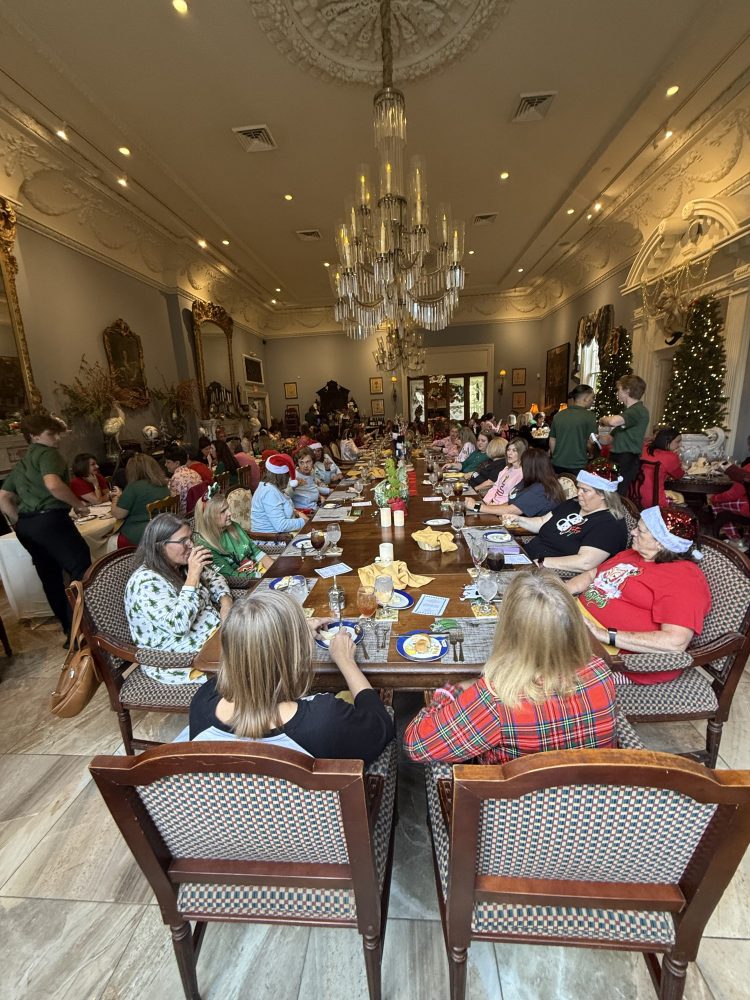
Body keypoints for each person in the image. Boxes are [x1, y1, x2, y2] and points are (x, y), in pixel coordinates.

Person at [403, 572, 616, 764]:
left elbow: (416, 745)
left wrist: (450, 692)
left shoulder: (498, 699)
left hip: (511, 805)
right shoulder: (602, 672)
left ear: (510, 631)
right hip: (592, 802)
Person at [188, 591, 395, 762]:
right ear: (295, 654)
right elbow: (382, 727)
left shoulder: (203, 700)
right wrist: (346, 662)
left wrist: (289, 632)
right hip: (322, 811)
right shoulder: (324, 720)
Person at [567, 506, 710, 685]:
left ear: (660, 542)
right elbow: (591, 574)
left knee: (534, 660)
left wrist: (603, 634)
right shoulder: (632, 554)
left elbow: (675, 642)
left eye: (640, 530)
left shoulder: (684, 579)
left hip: (619, 660)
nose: (633, 532)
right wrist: (562, 593)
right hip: (578, 622)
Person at [0, 414, 91, 639]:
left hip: (27, 526)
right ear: (34, 436)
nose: (58, 438)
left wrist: (20, 522)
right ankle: (84, 629)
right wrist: (78, 504)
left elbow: (3, 497)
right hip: (51, 520)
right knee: (81, 569)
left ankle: (69, 630)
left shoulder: (21, 463)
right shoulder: (48, 454)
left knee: (49, 576)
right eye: (52, 433)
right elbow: (53, 484)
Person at [125, 513, 232, 685]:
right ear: (160, 546)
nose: (190, 545)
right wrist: (192, 577)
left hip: (216, 636)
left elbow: (214, 578)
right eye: (183, 541)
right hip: (181, 659)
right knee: (257, 661)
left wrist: (225, 603)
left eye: (191, 538)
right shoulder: (146, 582)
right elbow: (178, 625)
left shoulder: (179, 565)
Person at [511, 465, 629, 573]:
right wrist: (518, 520)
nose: (579, 493)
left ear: (603, 494)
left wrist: (542, 562)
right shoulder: (573, 504)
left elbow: (585, 562)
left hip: (546, 572)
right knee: (495, 553)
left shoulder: (610, 524)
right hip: (526, 556)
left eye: (585, 490)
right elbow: (542, 522)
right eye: (579, 488)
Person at [193, 490, 274, 581]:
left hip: (261, 573)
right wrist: (266, 578)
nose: (229, 513)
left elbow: (257, 552)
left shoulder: (234, 526)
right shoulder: (205, 548)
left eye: (228, 508)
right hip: (248, 583)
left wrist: (275, 571)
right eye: (223, 511)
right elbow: (231, 576)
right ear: (209, 518)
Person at [467, 444, 563, 518]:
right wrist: (489, 507)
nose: (521, 467)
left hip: (523, 530)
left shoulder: (540, 488)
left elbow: (512, 509)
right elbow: (512, 502)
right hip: (509, 517)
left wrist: (477, 507)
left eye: (523, 464)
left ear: (531, 468)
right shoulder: (529, 481)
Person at [600, 374, 650, 495]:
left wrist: (603, 419)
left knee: (616, 495)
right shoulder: (628, 413)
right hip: (617, 456)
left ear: (627, 390)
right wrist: (596, 438)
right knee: (609, 493)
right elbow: (609, 439)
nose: (617, 392)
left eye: (619, 389)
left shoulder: (638, 410)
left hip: (627, 458)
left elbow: (612, 421)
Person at [110, 453, 170, 548]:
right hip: (164, 528)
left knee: (108, 540)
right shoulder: (162, 484)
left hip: (142, 533)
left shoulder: (133, 487)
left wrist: (115, 498)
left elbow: (118, 514)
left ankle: (119, 562)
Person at [251, 453, 308, 533]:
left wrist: (297, 513)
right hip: (271, 540)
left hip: (281, 535)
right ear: (282, 476)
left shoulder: (272, 487)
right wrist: (303, 521)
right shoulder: (269, 492)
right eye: (288, 475)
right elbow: (281, 526)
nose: (289, 478)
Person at [549, 384, 598, 477]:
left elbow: (552, 440)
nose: (593, 401)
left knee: (559, 490)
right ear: (586, 398)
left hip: (557, 464)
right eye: (592, 398)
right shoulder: (590, 416)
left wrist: (556, 456)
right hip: (578, 465)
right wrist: (591, 454)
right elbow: (590, 443)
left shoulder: (559, 415)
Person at [465, 438, 525, 508]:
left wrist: (489, 507)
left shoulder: (522, 474)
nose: (509, 453)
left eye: (514, 450)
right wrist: (485, 503)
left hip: (501, 509)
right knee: (464, 506)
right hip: (491, 505)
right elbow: (495, 488)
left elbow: (513, 500)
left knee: (469, 508)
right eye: (508, 450)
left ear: (521, 453)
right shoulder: (506, 469)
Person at [640, 427, 684, 507]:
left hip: (634, 497)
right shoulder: (671, 457)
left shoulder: (644, 449)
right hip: (655, 501)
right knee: (680, 498)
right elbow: (679, 475)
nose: (680, 445)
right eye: (678, 442)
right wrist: (678, 458)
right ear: (667, 441)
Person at [164, 444, 202, 514]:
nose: (165, 465)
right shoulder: (194, 473)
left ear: (177, 463)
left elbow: (173, 505)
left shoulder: (176, 478)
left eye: (168, 462)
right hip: (198, 512)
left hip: (185, 516)